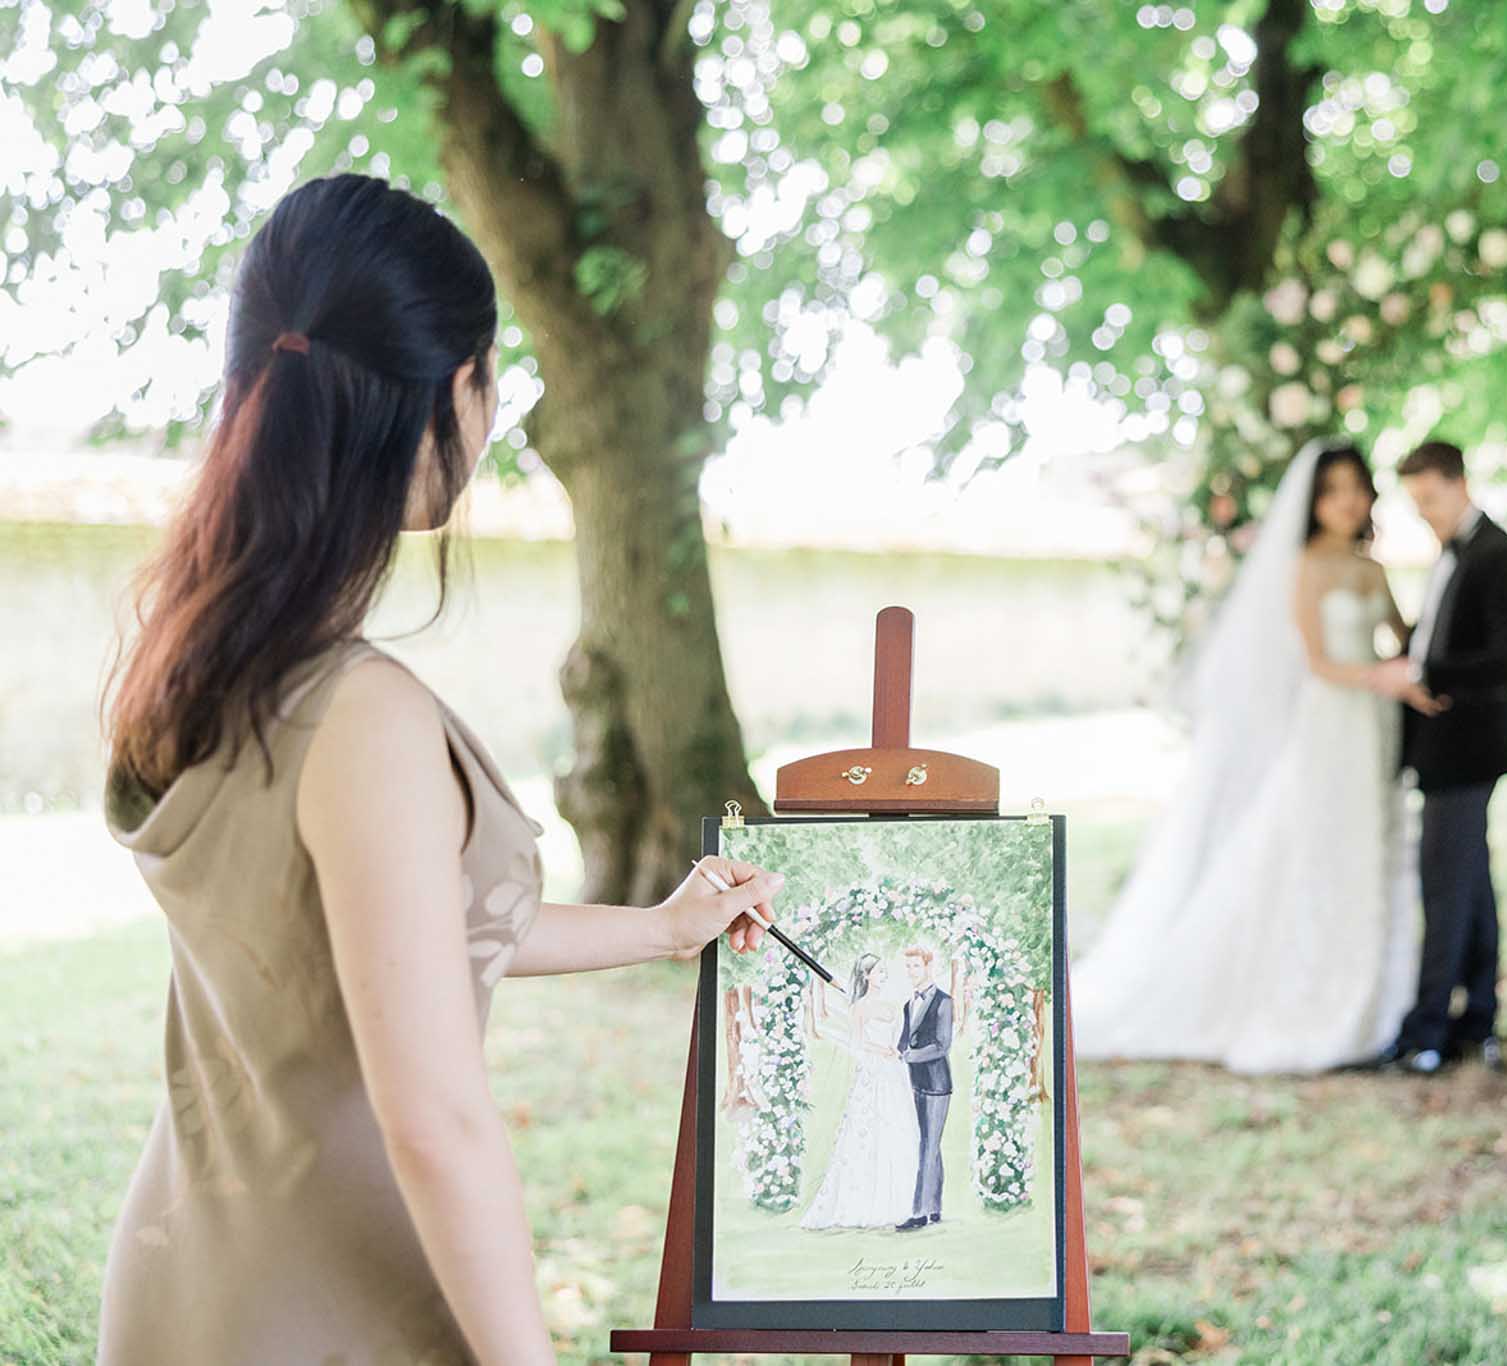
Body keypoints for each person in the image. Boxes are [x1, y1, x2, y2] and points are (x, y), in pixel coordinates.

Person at [95, 173, 786, 1366]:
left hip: (184, 1279)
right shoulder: (361, 714)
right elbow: (436, 1119)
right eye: (492, 375)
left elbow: (386, 937)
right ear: (452, 391)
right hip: (332, 1306)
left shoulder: (201, 655)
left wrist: (663, 929)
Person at [1072, 439, 1441, 1074]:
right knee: (1313, 849)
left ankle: (1372, 997)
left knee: (1367, 845)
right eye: (1333, 491)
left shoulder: (1371, 568)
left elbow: (1407, 640)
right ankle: (1300, 995)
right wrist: (1381, 678)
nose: (1347, 501)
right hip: (1329, 723)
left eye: (1356, 488)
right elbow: (1320, 662)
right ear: (1314, 502)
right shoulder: (1302, 567)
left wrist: (1413, 666)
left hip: (1374, 728)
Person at [1369, 439, 1507, 1076]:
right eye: (1416, 503)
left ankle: (1428, 1029)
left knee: (1443, 884)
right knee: (1469, 884)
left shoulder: (1498, 556)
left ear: (1460, 484)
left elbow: (1504, 658)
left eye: (1430, 499)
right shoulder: (1453, 554)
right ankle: (1479, 1016)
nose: (1424, 513)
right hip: (1445, 746)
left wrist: (1422, 671)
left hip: (1470, 746)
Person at [798, 954, 922, 1230]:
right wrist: (882, 1051)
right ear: (866, 976)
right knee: (870, 1131)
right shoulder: (858, 1008)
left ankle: (900, 1203)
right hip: (874, 1070)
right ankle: (865, 1204)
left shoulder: (889, 1005)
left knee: (898, 1129)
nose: (883, 976)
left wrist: (895, 1051)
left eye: (884, 972)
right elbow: (857, 1043)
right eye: (878, 972)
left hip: (894, 1071)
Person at [895, 944, 954, 1230]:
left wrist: (910, 1056)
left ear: (928, 966)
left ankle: (919, 1213)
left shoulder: (944, 1001)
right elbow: (904, 1040)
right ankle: (935, 1207)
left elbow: (942, 1045)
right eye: (907, 966)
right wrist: (896, 1051)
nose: (910, 971)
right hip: (915, 1082)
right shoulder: (908, 1004)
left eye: (915, 966)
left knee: (928, 1146)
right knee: (932, 1145)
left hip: (937, 1084)